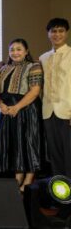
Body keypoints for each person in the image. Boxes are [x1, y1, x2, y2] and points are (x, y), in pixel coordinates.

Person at [0, 38, 43, 192]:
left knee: (28, 143)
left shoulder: (34, 66)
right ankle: (17, 177)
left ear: (26, 51)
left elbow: (35, 91)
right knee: (15, 144)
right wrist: (1, 105)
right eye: (12, 50)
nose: (15, 53)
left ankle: (28, 180)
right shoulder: (2, 67)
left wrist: (17, 107)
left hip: (27, 110)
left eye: (19, 49)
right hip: (7, 111)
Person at [39, 18, 71, 177]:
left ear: (66, 33)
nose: (57, 34)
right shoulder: (43, 57)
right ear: (48, 34)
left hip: (67, 111)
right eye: (53, 31)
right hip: (48, 111)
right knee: (55, 155)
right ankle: (62, 195)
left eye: (61, 31)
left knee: (69, 154)